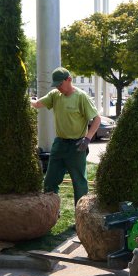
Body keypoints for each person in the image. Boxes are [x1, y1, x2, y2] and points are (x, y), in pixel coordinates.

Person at [31, 67, 101, 205]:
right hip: (59, 144)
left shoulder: (81, 97)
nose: (58, 87)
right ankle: (50, 212)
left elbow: (97, 119)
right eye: (55, 85)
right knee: (50, 180)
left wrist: (87, 139)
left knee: (79, 182)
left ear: (69, 80)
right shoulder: (55, 95)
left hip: (77, 145)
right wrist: (23, 99)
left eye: (60, 84)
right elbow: (37, 104)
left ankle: (80, 216)